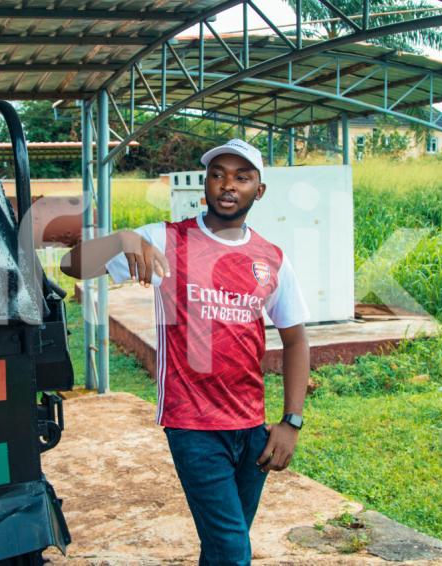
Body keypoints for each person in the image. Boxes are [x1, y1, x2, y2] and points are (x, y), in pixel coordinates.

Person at [60, 139, 311, 565]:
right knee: (233, 550)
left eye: (242, 177)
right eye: (218, 175)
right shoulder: (164, 240)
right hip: (192, 425)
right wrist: (123, 239)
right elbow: (71, 265)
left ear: (259, 191)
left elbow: (296, 340)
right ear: (205, 185)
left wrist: (292, 422)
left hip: (252, 428)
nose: (228, 185)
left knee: (222, 547)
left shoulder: (271, 259)